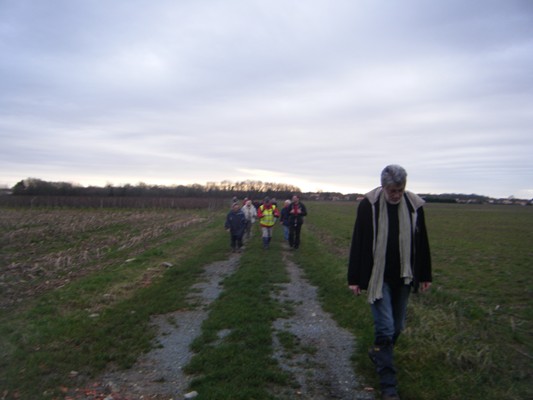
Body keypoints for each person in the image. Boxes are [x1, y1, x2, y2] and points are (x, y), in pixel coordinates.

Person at [347, 165, 432, 400]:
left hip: (404, 275)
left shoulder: (414, 206)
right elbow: (359, 241)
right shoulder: (369, 205)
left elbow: (421, 242)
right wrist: (354, 278)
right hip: (378, 276)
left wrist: (425, 274)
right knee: (385, 326)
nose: (396, 195)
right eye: (393, 190)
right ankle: (388, 384)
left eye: (400, 190)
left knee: (397, 327)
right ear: (383, 187)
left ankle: (378, 352)